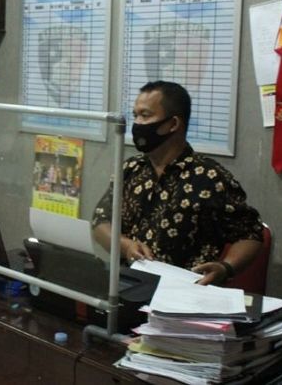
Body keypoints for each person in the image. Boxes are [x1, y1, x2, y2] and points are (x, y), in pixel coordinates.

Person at [92, 81, 263, 286]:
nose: (137, 123)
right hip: (129, 288)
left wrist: (226, 268)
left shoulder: (209, 178)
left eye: (145, 115)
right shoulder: (131, 169)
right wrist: (125, 245)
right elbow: (101, 221)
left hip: (184, 295)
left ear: (173, 124)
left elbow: (250, 234)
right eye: (135, 115)